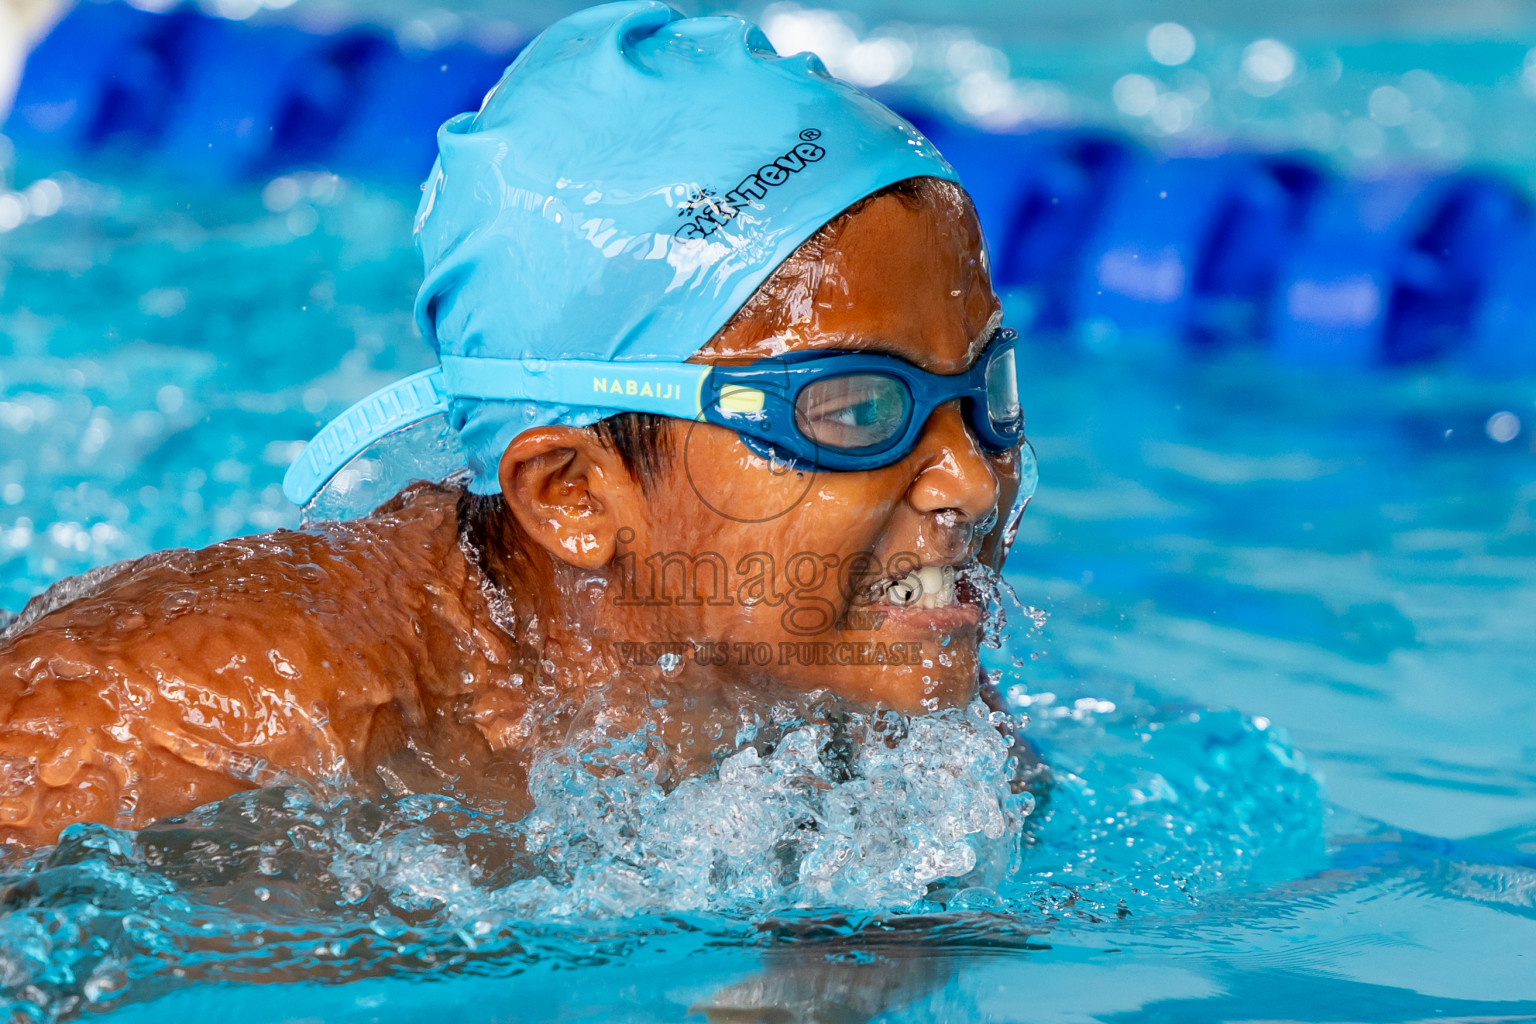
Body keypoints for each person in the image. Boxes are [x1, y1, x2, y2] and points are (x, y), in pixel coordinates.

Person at [0, 1, 1036, 848]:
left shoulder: (864, 685)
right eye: (854, 410)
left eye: (982, 390)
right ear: (572, 493)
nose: (972, 482)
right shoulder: (197, 720)